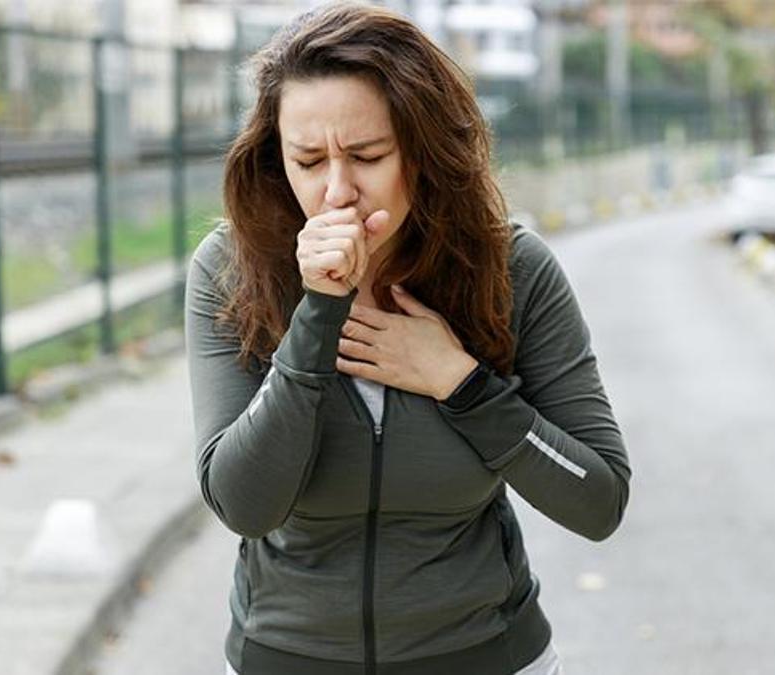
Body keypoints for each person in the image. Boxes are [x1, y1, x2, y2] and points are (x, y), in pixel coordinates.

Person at [184, 3, 631, 673]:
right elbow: (244, 502)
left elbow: (599, 500)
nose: (337, 191)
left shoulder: (513, 270)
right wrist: (318, 315)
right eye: (307, 160)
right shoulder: (231, 272)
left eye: (366, 156)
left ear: (422, 152)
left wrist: (461, 382)